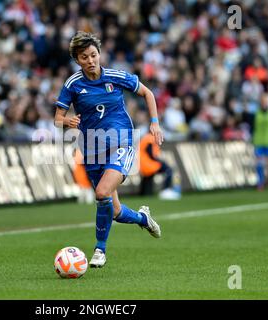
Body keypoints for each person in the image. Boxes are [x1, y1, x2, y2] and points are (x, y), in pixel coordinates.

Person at [54, 31, 163, 268]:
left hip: (121, 142)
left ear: (100, 54)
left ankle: (99, 250)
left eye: (94, 55)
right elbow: (57, 118)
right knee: (114, 211)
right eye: (84, 57)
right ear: (77, 60)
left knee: (102, 192)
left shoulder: (116, 76)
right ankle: (143, 218)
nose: (91, 60)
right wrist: (67, 121)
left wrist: (154, 122)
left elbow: (148, 93)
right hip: (92, 149)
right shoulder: (73, 84)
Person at [248, 93, 268, 191]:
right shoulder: (256, 113)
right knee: (259, 163)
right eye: (262, 101)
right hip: (259, 142)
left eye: (265, 101)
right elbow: (252, 128)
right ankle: (260, 183)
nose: (264, 103)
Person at [139, 131, 181, 200]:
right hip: (149, 164)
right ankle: (165, 190)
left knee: (147, 179)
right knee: (168, 170)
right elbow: (150, 153)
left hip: (143, 164)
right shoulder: (151, 138)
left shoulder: (146, 137)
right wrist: (160, 161)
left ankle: (144, 194)